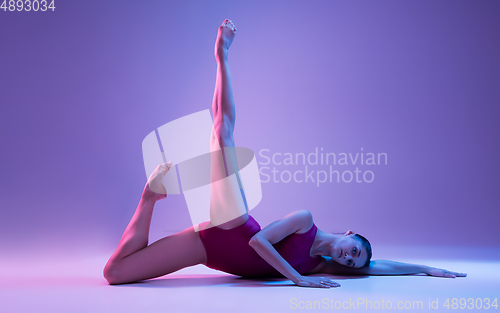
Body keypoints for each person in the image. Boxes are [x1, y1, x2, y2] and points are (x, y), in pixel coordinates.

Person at [103, 20, 466, 288]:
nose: (349, 258)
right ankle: (222, 54)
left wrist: (427, 269)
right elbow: (257, 242)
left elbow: (381, 266)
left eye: (353, 263)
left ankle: (149, 198)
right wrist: (297, 280)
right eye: (353, 250)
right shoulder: (305, 221)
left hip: (207, 249)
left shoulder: (325, 265)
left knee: (115, 273)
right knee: (221, 133)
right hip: (231, 224)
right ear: (350, 234)